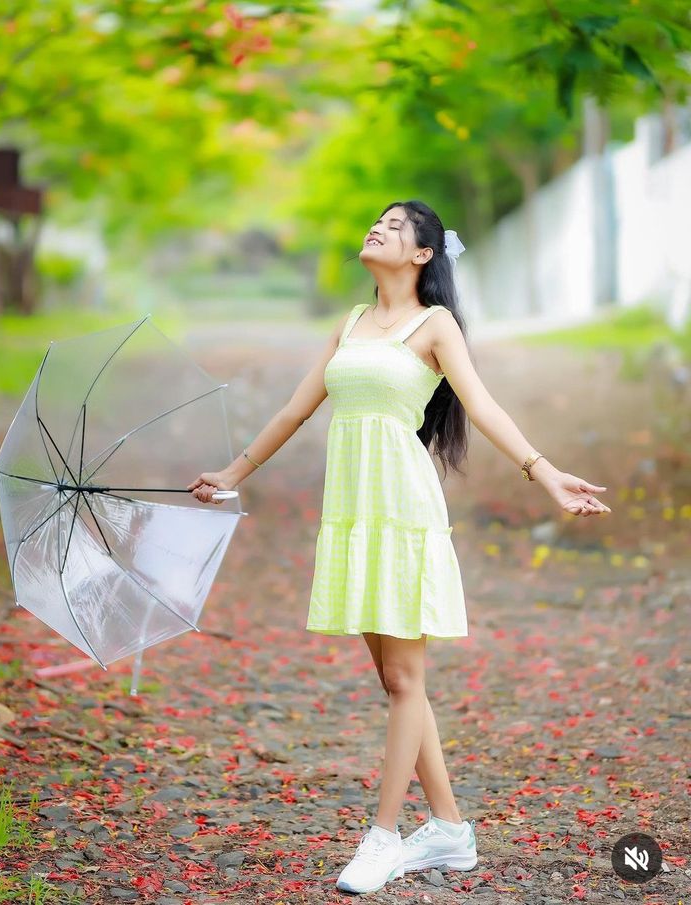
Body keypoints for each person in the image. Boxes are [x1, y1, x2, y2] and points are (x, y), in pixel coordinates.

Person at [187, 199, 611, 895]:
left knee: (405, 681)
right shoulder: (350, 324)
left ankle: (383, 837)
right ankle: (448, 828)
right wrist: (234, 473)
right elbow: (297, 408)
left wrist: (546, 472)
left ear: (422, 254)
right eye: (375, 221)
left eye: (394, 225)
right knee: (396, 679)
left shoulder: (434, 323)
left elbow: (481, 404)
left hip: (403, 510)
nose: (377, 228)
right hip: (352, 511)